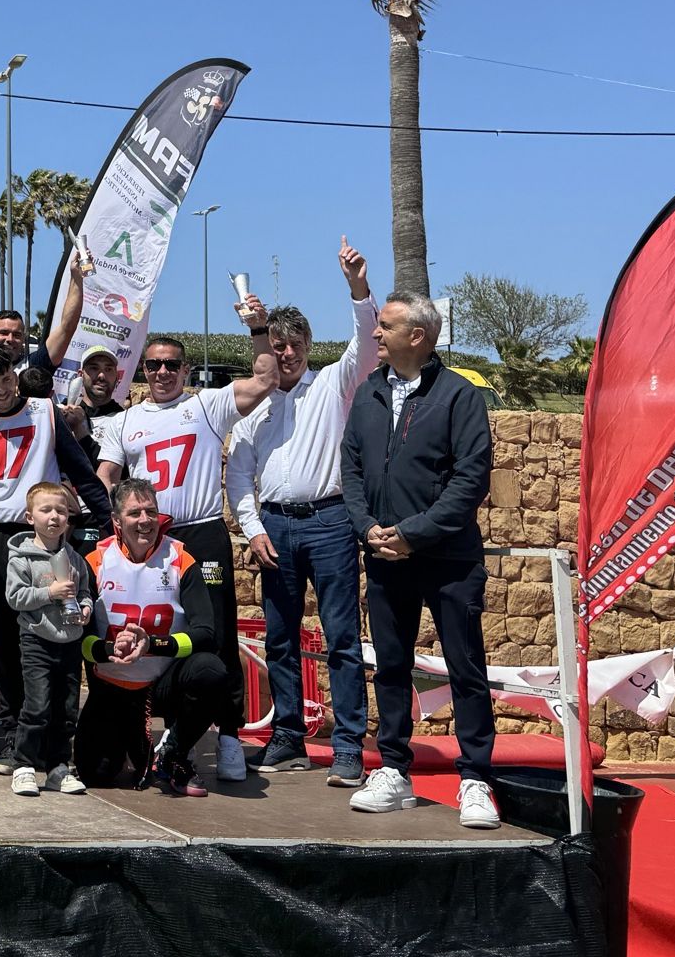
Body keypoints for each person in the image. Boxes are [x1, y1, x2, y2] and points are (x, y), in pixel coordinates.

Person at [96, 311, 276, 782]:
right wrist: (102, 523)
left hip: (200, 530)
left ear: (186, 369)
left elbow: (266, 378)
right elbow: (106, 476)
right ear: (143, 370)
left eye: (172, 364)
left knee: (217, 633)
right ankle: (167, 734)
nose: (162, 372)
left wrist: (258, 329)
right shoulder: (125, 420)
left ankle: (230, 734)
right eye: (154, 364)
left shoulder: (207, 405)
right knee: (144, 624)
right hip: (148, 536)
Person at [342, 292, 499, 829]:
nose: (376, 334)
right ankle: (393, 769)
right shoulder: (369, 392)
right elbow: (352, 470)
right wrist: (367, 528)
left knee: (465, 669)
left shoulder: (459, 396)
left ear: (418, 336)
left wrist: (414, 534)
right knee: (390, 666)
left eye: (385, 326)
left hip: (449, 560)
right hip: (385, 557)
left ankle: (475, 779)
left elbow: (470, 480)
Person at [225, 237, 378, 786]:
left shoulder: (335, 384)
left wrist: (357, 287)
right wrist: (252, 528)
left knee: (341, 638)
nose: (287, 353)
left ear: (309, 346)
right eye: (278, 345)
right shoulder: (253, 406)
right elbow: (238, 473)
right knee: (281, 639)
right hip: (274, 527)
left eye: (294, 344)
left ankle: (347, 747)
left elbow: (366, 343)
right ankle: (287, 737)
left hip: (331, 523)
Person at [0, 342, 113, 774]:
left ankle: (55, 737)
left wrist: (109, 523)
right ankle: (15, 736)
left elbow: (80, 471)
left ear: (15, 377)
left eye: (6, 380)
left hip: (44, 536)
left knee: (55, 633)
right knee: (3, 638)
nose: (1, 390)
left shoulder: (45, 413)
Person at [78, 477, 231, 798]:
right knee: (96, 773)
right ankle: (132, 744)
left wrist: (154, 644)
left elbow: (206, 633)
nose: (145, 520)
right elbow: (81, 640)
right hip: (112, 684)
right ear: (116, 521)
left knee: (210, 670)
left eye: (151, 511)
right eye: (134, 513)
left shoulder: (180, 557)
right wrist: (109, 649)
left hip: (162, 684)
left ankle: (174, 751)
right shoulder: (95, 559)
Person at [4, 481, 107, 796]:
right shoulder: (21, 558)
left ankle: (58, 767)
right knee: (37, 706)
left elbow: (86, 593)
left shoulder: (74, 558)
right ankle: (23, 765)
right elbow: (15, 597)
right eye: (46, 510)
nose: (54, 517)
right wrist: (49, 592)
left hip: (70, 642)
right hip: (37, 640)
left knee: (66, 710)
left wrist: (86, 609)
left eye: (61, 511)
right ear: (29, 517)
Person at [58, 345, 127, 461]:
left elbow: (115, 469)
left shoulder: (124, 422)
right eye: (94, 368)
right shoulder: (59, 414)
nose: (101, 376)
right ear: (81, 375)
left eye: (108, 369)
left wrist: (79, 429)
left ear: (117, 377)